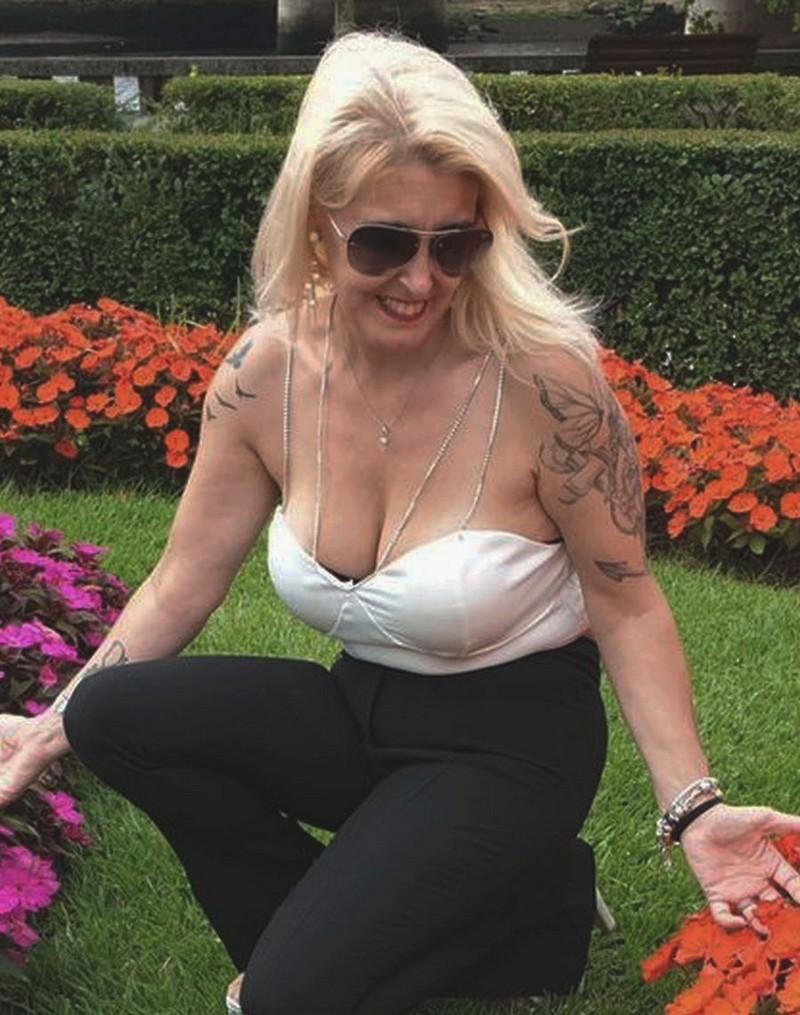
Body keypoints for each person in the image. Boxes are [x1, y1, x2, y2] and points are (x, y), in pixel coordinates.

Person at [2, 27, 800, 1015]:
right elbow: (181, 579)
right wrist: (48, 727)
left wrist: (694, 807)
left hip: (512, 742)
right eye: (384, 243)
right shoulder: (264, 375)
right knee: (113, 717)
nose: (422, 280)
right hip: (361, 712)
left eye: (455, 244)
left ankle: (436, 924)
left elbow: (626, 605)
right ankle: (493, 913)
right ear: (317, 225)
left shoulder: (547, 387)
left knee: (284, 997)